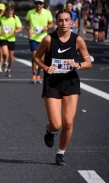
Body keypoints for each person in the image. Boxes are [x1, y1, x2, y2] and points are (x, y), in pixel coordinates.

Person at [34, 9, 92, 165]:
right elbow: (37, 57)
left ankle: (61, 153)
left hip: (70, 81)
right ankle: (49, 129)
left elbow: (88, 63)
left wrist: (78, 64)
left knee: (68, 122)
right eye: (61, 20)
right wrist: (45, 68)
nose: (64, 23)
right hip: (52, 82)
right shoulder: (48, 39)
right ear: (56, 22)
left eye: (67, 20)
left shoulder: (77, 40)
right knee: (56, 124)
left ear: (71, 22)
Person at [25, 0, 53, 83]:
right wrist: (29, 28)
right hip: (33, 38)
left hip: (43, 38)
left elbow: (52, 24)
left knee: (42, 58)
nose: (38, 5)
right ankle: (33, 74)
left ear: (43, 5)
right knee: (34, 56)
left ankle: (38, 74)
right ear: (34, 4)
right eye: (37, 3)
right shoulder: (30, 12)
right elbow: (26, 23)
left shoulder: (47, 13)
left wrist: (47, 27)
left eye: (40, 3)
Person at [0, 6, 22, 77]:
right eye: (8, 13)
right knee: (5, 53)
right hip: (3, 38)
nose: (9, 15)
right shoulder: (1, 17)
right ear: (5, 12)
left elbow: (20, 28)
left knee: (11, 57)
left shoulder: (15, 18)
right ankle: (5, 62)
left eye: (11, 13)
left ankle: (8, 69)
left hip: (11, 39)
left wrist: (14, 31)